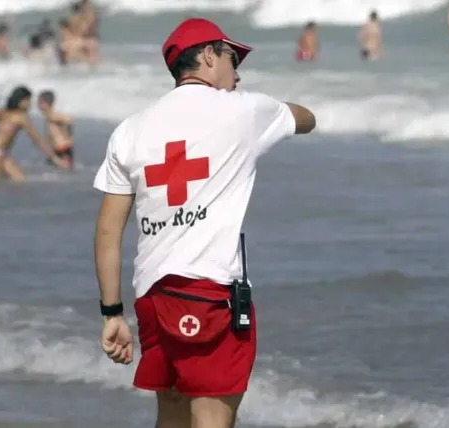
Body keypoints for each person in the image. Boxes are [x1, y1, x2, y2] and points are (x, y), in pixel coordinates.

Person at [92, 17, 315, 427]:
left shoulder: (129, 130)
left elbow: (108, 230)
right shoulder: (243, 110)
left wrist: (112, 313)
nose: (237, 73)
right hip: (209, 293)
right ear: (210, 56)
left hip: (152, 298)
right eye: (233, 60)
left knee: (172, 415)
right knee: (212, 417)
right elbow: (306, 119)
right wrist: (275, 107)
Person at [37, 91, 75, 168]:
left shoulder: (52, 115)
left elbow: (69, 119)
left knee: (65, 168)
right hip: (57, 149)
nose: (37, 105)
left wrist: (67, 135)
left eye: (40, 103)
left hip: (63, 147)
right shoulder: (48, 116)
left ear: (46, 103)